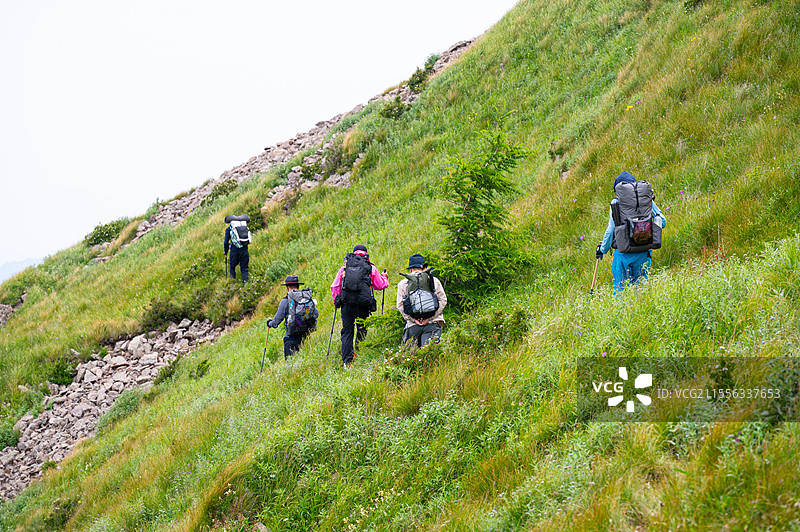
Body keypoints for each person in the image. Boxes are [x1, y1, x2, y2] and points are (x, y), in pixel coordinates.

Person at [596, 171, 667, 293]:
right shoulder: (647, 201)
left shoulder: (616, 203)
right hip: (644, 252)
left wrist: (602, 249)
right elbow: (663, 222)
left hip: (623, 253)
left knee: (621, 291)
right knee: (641, 290)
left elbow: (611, 230)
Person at [330, 244, 388, 365]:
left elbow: (335, 286)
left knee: (347, 332)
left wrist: (337, 300)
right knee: (362, 328)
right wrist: (385, 278)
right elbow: (380, 285)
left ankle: (347, 362)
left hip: (347, 304)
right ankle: (359, 352)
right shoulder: (370, 267)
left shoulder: (345, 267)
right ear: (366, 254)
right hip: (363, 304)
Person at [396, 254, 447, 347]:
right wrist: (429, 318)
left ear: (410, 270)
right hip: (432, 324)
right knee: (429, 352)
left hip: (412, 326)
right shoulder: (434, 280)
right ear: (424, 268)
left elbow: (400, 306)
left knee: (412, 354)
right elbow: (443, 300)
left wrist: (414, 320)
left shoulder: (402, 284)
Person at [267, 275, 317, 360]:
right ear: (298, 286)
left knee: (290, 363)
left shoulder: (286, 301)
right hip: (305, 336)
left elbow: (276, 322)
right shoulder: (305, 298)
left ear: (287, 287)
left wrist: (269, 323)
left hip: (291, 337)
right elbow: (316, 314)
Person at [224, 214, 251, 282]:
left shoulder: (229, 229)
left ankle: (233, 282)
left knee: (232, 267)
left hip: (234, 251)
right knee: (244, 268)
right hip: (244, 250)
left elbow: (226, 242)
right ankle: (245, 282)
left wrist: (226, 251)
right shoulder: (244, 227)